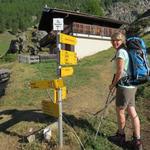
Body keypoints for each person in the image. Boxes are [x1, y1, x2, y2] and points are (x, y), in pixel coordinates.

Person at [108, 32, 143, 150]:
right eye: (113, 40)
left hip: (124, 87)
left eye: (117, 40)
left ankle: (121, 136)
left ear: (122, 40)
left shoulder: (121, 52)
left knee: (120, 110)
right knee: (132, 111)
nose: (114, 42)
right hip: (132, 85)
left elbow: (120, 72)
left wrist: (112, 85)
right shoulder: (127, 50)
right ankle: (137, 141)